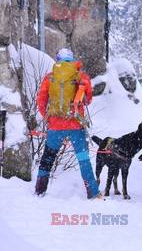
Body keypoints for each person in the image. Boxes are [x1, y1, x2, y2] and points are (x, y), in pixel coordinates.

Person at [34, 49, 101, 199]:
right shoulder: (82, 78)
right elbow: (88, 100)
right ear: (73, 60)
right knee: (83, 159)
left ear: (58, 60)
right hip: (76, 124)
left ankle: (39, 191)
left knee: (47, 158)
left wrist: (48, 117)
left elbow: (41, 99)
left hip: (55, 126)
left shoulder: (50, 77)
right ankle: (93, 192)